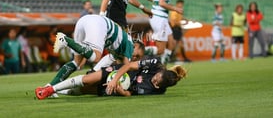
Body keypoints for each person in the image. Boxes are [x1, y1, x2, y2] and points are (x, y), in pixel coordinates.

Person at [47, 14, 144, 86]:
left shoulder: (118, 50)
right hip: (98, 24)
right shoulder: (130, 44)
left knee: (77, 63)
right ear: (135, 46)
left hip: (84, 21)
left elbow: (111, 61)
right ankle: (65, 40)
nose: (135, 58)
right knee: (95, 57)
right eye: (137, 55)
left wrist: (93, 71)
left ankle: (50, 86)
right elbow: (126, 66)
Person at [35, 55, 187, 99]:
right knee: (88, 79)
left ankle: (57, 92)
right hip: (117, 72)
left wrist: (120, 90)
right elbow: (128, 65)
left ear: (160, 87)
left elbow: (130, 94)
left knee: (84, 90)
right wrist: (114, 79)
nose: (153, 80)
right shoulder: (156, 64)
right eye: (156, 77)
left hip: (116, 88)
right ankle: (50, 89)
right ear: (161, 71)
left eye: (156, 83)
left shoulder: (157, 91)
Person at [140, 0, 183, 65]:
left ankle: (163, 66)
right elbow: (162, 3)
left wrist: (156, 2)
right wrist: (175, 8)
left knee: (171, 43)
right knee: (160, 50)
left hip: (158, 17)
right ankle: (137, 51)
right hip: (159, 18)